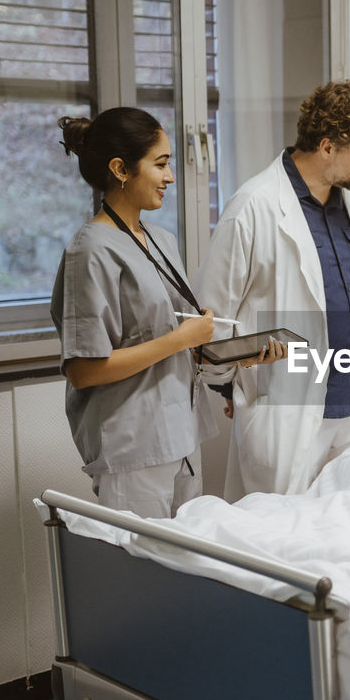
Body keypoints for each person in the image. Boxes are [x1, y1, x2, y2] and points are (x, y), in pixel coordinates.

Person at [196, 80, 350, 498]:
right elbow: (212, 316)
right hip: (288, 411)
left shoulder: (348, 204)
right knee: (280, 544)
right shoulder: (254, 206)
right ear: (326, 147)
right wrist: (227, 384)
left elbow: (326, 300)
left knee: (347, 538)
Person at [51, 107, 281, 521]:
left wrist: (235, 357)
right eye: (161, 164)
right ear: (121, 168)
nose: (171, 177)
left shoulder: (160, 240)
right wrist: (182, 339)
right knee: (144, 577)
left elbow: (169, 346)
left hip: (182, 436)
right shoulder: (90, 251)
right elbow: (84, 370)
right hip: (133, 447)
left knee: (188, 569)